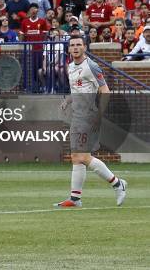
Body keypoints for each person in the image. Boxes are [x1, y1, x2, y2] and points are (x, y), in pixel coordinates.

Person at [55, 37, 127, 208]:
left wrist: (99, 115)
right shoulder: (71, 66)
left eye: (79, 44)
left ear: (85, 47)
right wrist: (68, 101)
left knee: (83, 156)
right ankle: (75, 198)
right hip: (77, 115)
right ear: (69, 49)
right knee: (76, 158)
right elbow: (78, 89)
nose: (75, 47)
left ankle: (118, 184)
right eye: (72, 45)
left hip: (88, 116)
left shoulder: (91, 66)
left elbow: (105, 91)